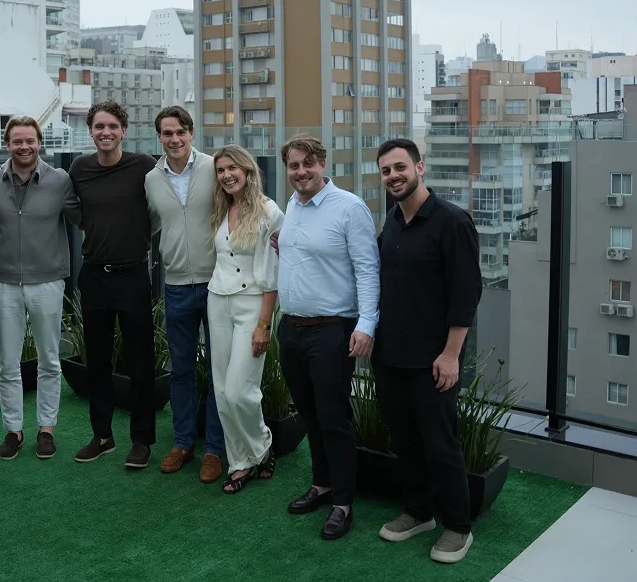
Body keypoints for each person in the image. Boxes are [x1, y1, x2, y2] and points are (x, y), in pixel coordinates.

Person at [372, 138, 481, 565]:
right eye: (386, 171)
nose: (393, 176)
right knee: (405, 439)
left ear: (420, 167)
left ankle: (458, 525)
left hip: (434, 359)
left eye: (400, 167)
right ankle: (418, 512)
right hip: (391, 354)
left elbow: (467, 294)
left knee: (441, 442)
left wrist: (452, 354)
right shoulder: (393, 220)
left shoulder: (452, 222)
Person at [275, 134, 379, 541]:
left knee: (334, 418)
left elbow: (367, 270)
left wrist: (366, 324)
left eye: (308, 164)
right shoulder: (292, 206)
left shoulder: (349, 208)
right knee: (309, 413)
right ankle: (322, 484)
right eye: (294, 166)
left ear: (323, 165)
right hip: (292, 329)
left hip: (332, 331)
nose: (300, 172)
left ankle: (344, 502)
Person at [0, 115, 81, 460]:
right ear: (6, 144)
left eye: (30, 141)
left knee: (50, 359)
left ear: (40, 143)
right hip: (5, 282)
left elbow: (83, 218)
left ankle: (46, 428)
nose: (24, 147)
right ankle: (13, 430)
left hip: (48, 280)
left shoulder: (60, 181)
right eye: (17, 141)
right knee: (7, 363)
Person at [69, 100, 157, 469]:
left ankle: (142, 440)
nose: (105, 132)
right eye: (98, 126)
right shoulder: (79, 168)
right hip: (93, 276)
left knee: (141, 363)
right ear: (90, 131)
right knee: (98, 362)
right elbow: (73, 209)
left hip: (133, 275)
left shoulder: (143, 165)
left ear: (124, 130)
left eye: (112, 126)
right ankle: (102, 436)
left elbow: (160, 209)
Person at [144, 106, 224, 483]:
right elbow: (152, 225)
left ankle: (214, 449)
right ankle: (182, 442)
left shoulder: (214, 167)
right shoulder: (151, 179)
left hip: (219, 284)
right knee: (181, 370)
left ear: (191, 133)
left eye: (180, 132)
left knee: (219, 370)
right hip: (175, 285)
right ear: (159, 137)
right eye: (166, 133)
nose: (174, 139)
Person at [206, 144, 284, 494]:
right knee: (222, 390)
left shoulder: (270, 212)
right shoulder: (222, 208)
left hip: (253, 304)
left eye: (232, 168)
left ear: (248, 171)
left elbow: (272, 275)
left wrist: (264, 325)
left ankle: (261, 446)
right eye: (221, 170)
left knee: (241, 389)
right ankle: (239, 462)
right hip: (217, 300)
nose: (226, 175)